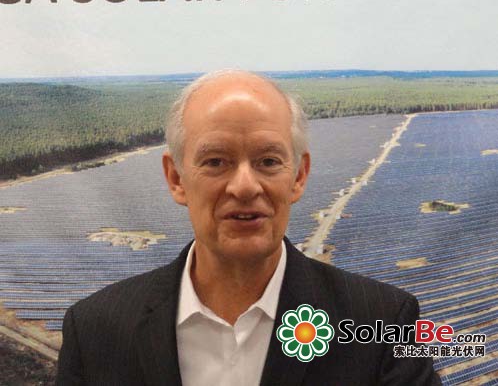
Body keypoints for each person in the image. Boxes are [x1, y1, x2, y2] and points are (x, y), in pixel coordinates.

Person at [56, 70, 441, 385]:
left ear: (299, 176)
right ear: (176, 178)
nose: (244, 187)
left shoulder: (383, 323)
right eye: (216, 162)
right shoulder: (95, 332)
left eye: (268, 161)